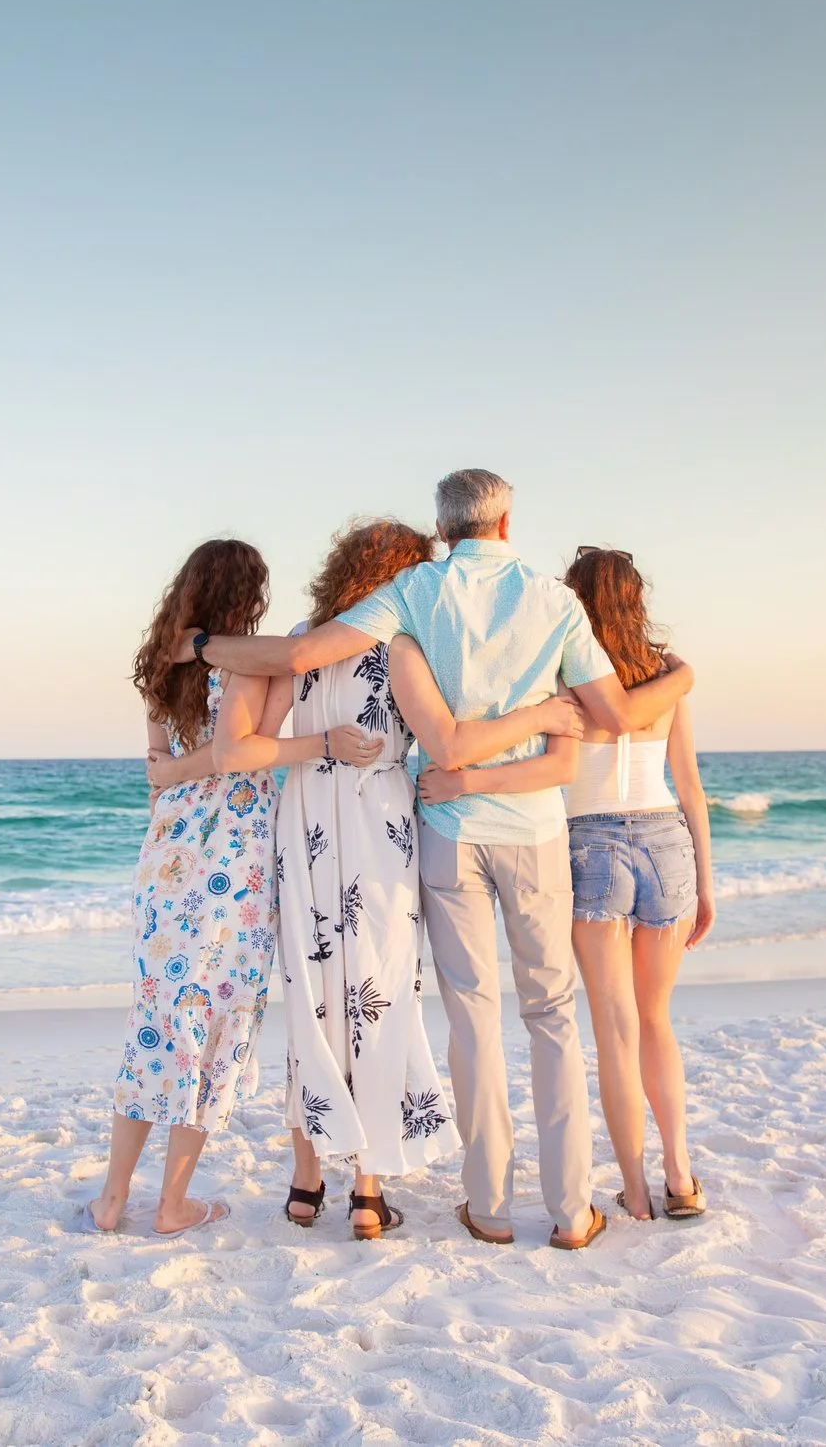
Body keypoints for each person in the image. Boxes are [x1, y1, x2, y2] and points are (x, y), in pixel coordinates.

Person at [185, 470, 693, 1250]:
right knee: (553, 1018)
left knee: (472, 1018)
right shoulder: (555, 602)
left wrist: (203, 644)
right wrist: (682, 677)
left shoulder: (416, 590)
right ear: (507, 519)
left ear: (444, 524)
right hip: (533, 831)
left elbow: (304, 651)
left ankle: (487, 1206)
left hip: (449, 829)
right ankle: (569, 1211)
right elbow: (616, 715)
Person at [270, 519, 567, 1240]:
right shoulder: (406, 643)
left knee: (312, 994)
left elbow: (260, 741)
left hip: (305, 818)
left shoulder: (300, 637)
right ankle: (367, 1191)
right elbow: (443, 736)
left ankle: (306, 1181)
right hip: (380, 823)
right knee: (378, 998)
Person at [90, 539, 383, 1236]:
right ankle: (171, 1204)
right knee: (214, 1025)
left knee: (158, 1023)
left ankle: (111, 1199)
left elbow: (158, 764)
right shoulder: (249, 663)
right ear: (246, 595)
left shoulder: (160, 663)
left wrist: (172, 772)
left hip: (166, 855)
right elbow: (237, 751)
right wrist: (324, 745)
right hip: (232, 856)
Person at [422, 546, 714, 1222]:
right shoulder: (667, 675)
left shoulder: (565, 673)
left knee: (613, 1027)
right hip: (666, 840)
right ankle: (680, 1175)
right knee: (654, 1021)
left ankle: (635, 1191)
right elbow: (691, 786)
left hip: (591, 848)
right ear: (637, 599)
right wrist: (706, 881)